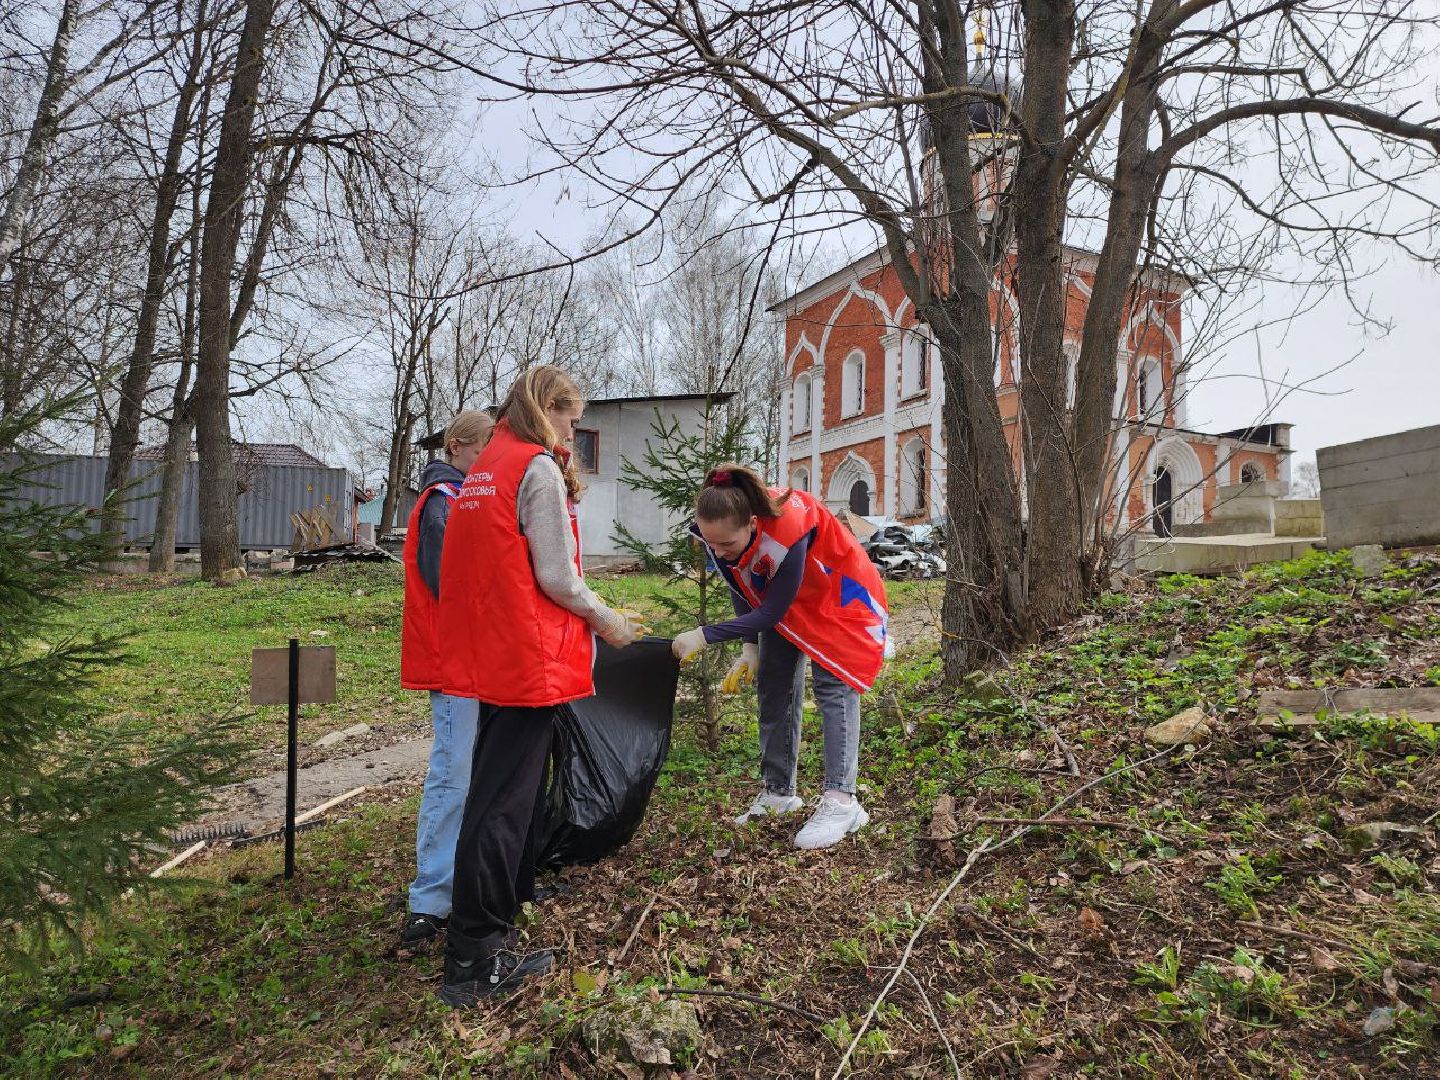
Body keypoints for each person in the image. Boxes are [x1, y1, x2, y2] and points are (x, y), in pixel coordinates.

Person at [436, 366, 647, 1006]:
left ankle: (499, 908)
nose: (572, 433)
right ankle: (474, 956)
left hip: (494, 650)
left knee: (498, 793)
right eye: (570, 419)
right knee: (502, 804)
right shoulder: (534, 468)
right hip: (527, 657)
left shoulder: (488, 466)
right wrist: (607, 620)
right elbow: (556, 575)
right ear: (544, 407)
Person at [672, 464, 888, 850]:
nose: (718, 552)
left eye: (726, 543)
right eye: (712, 544)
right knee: (774, 686)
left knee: (833, 688)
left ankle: (842, 801)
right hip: (790, 600)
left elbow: (771, 612)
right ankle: (778, 793)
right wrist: (750, 646)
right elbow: (738, 579)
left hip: (838, 596)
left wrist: (705, 635)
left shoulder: (790, 531)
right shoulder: (721, 532)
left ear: (753, 524)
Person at [397, 409, 494, 944]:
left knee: (473, 770)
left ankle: (464, 882)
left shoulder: (463, 497)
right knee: (452, 774)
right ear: (456, 446)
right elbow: (448, 583)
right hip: (453, 659)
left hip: (475, 656)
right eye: (481, 451)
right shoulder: (442, 501)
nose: (486, 462)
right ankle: (431, 897)